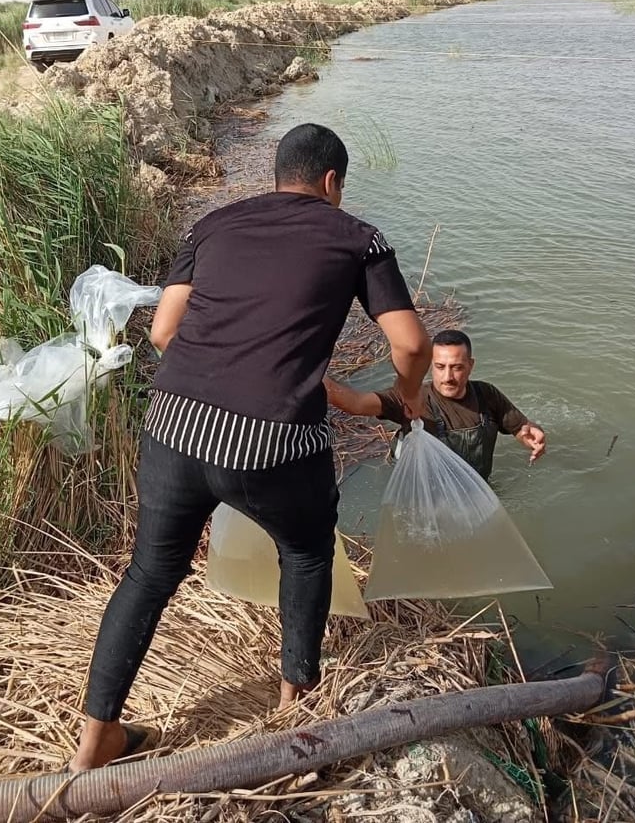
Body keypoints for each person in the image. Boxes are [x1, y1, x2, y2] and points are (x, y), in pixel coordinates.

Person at [69, 122, 432, 772]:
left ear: (276, 176)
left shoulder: (214, 224)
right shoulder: (358, 238)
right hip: (273, 442)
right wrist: (406, 396)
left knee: (149, 576)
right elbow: (409, 343)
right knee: (306, 550)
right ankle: (296, 705)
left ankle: (95, 742)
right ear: (331, 183)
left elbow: (162, 332)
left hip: (173, 426)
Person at [325, 329, 546, 482]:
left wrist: (531, 435)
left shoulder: (487, 394)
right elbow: (356, 403)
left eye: (457, 367)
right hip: (427, 495)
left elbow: (520, 427)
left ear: (471, 366)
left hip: (477, 488)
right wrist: (312, 379)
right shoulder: (412, 397)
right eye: (440, 367)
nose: (448, 376)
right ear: (430, 365)